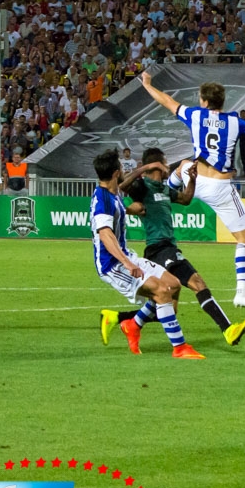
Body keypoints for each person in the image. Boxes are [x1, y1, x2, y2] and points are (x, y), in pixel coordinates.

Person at [141, 71, 245, 313]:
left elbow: (166, 101)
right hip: (219, 186)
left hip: (195, 178)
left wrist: (147, 84)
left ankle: (161, 196)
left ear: (204, 101)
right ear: (222, 101)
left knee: (183, 166)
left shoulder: (195, 114)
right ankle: (242, 293)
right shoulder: (235, 121)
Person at [100, 148, 245, 349]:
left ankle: (122, 319)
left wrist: (192, 180)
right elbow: (121, 186)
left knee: (169, 307)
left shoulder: (164, 189)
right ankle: (228, 330)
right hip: (158, 249)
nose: (167, 168)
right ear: (157, 165)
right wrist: (145, 168)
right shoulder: (143, 186)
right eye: (164, 163)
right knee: (197, 283)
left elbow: (185, 199)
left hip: (167, 247)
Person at [89, 149, 203, 359]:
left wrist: (145, 171)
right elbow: (105, 235)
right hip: (112, 265)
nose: (125, 170)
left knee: (173, 284)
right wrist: (128, 264)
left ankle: (132, 325)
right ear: (116, 173)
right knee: (161, 292)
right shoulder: (103, 199)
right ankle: (179, 347)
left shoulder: (112, 193)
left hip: (126, 256)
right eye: (121, 168)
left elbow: (122, 195)